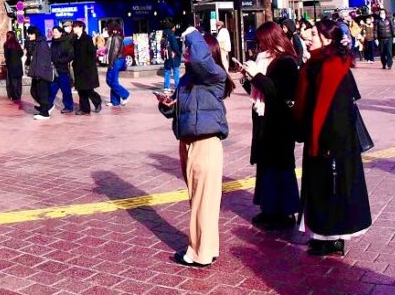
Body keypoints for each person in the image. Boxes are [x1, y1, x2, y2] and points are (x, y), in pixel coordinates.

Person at [294, 19, 373, 256]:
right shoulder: (316, 64)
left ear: (327, 40)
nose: (307, 38)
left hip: (333, 141)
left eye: (313, 35)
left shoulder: (333, 67)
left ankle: (332, 238)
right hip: (319, 138)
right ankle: (321, 236)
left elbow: (339, 109)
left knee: (332, 188)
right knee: (320, 188)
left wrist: (329, 142)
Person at [157, 29, 231, 268]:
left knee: (203, 200)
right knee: (199, 200)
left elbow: (200, 59)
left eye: (190, 47)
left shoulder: (214, 75)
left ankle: (199, 254)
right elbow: (181, 110)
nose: (186, 52)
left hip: (205, 143)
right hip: (187, 142)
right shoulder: (187, 79)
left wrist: (191, 33)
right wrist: (168, 106)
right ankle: (208, 247)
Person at [237, 21, 300, 230]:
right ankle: (268, 209)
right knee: (266, 166)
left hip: (280, 123)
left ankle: (284, 212)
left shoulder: (286, 62)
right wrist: (248, 79)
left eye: (262, 42)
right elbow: (261, 92)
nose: (259, 47)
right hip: (264, 121)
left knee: (280, 167)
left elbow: (278, 94)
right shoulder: (264, 61)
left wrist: (256, 75)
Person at [70, 21, 101, 115]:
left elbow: (92, 54)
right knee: (80, 90)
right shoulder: (75, 39)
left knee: (88, 89)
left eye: (75, 27)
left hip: (87, 69)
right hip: (78, 68)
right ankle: (85, 109)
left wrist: (88, 67)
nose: (73, 28)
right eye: (73, 27)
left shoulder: (87, 39)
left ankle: (97, 101)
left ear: (81, 28)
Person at [26, 26, 54, 120]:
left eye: (30, 34)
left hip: (41, 74)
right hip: (37, 73)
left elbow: (42, 60)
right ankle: (46, 106)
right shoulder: (37, 43)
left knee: (42, 93)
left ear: (35, 34)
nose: (29, 36)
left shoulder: (42, 43)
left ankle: (45, 113)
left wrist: (38, 74)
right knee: (34, 91)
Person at [48, 26, 75, 114]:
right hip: (54, 71)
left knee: (66, 90)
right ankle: (47, 106)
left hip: (63, 70)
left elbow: (71, 55)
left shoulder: (66, 43)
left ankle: (68, 107)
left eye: (56, 32)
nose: (54, 33)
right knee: (51, 90)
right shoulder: (52, 43)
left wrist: (61, 61)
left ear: (60, 33)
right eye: (53, 32)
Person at [105, 24, 131, 107]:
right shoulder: (115, 37)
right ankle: (115, 101)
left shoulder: (116, 37)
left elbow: (114, 52)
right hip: (116, 60)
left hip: (116, 61)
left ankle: (125, 94)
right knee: (111, 81)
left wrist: (111, 63)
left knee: (112, 81)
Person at [4, 31, 24, 102]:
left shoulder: (6, 44)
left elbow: (6, 55)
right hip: (18, 64)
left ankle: (14, 95)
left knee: (12, 81)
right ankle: (19, 94)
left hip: (11, 65)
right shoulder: (17, 44)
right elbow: (21, 53)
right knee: (19, 80)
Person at [162, 22, 182, 91]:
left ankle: (166, 87)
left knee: (167, 71)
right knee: (176, 71)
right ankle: (178, 87)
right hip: (173, 56)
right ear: (171, 28)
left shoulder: (164, 35)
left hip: (167, 55)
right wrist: (179, 53)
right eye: (174, 27)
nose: (175, 28)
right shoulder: (171, 35)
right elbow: (175, 46)